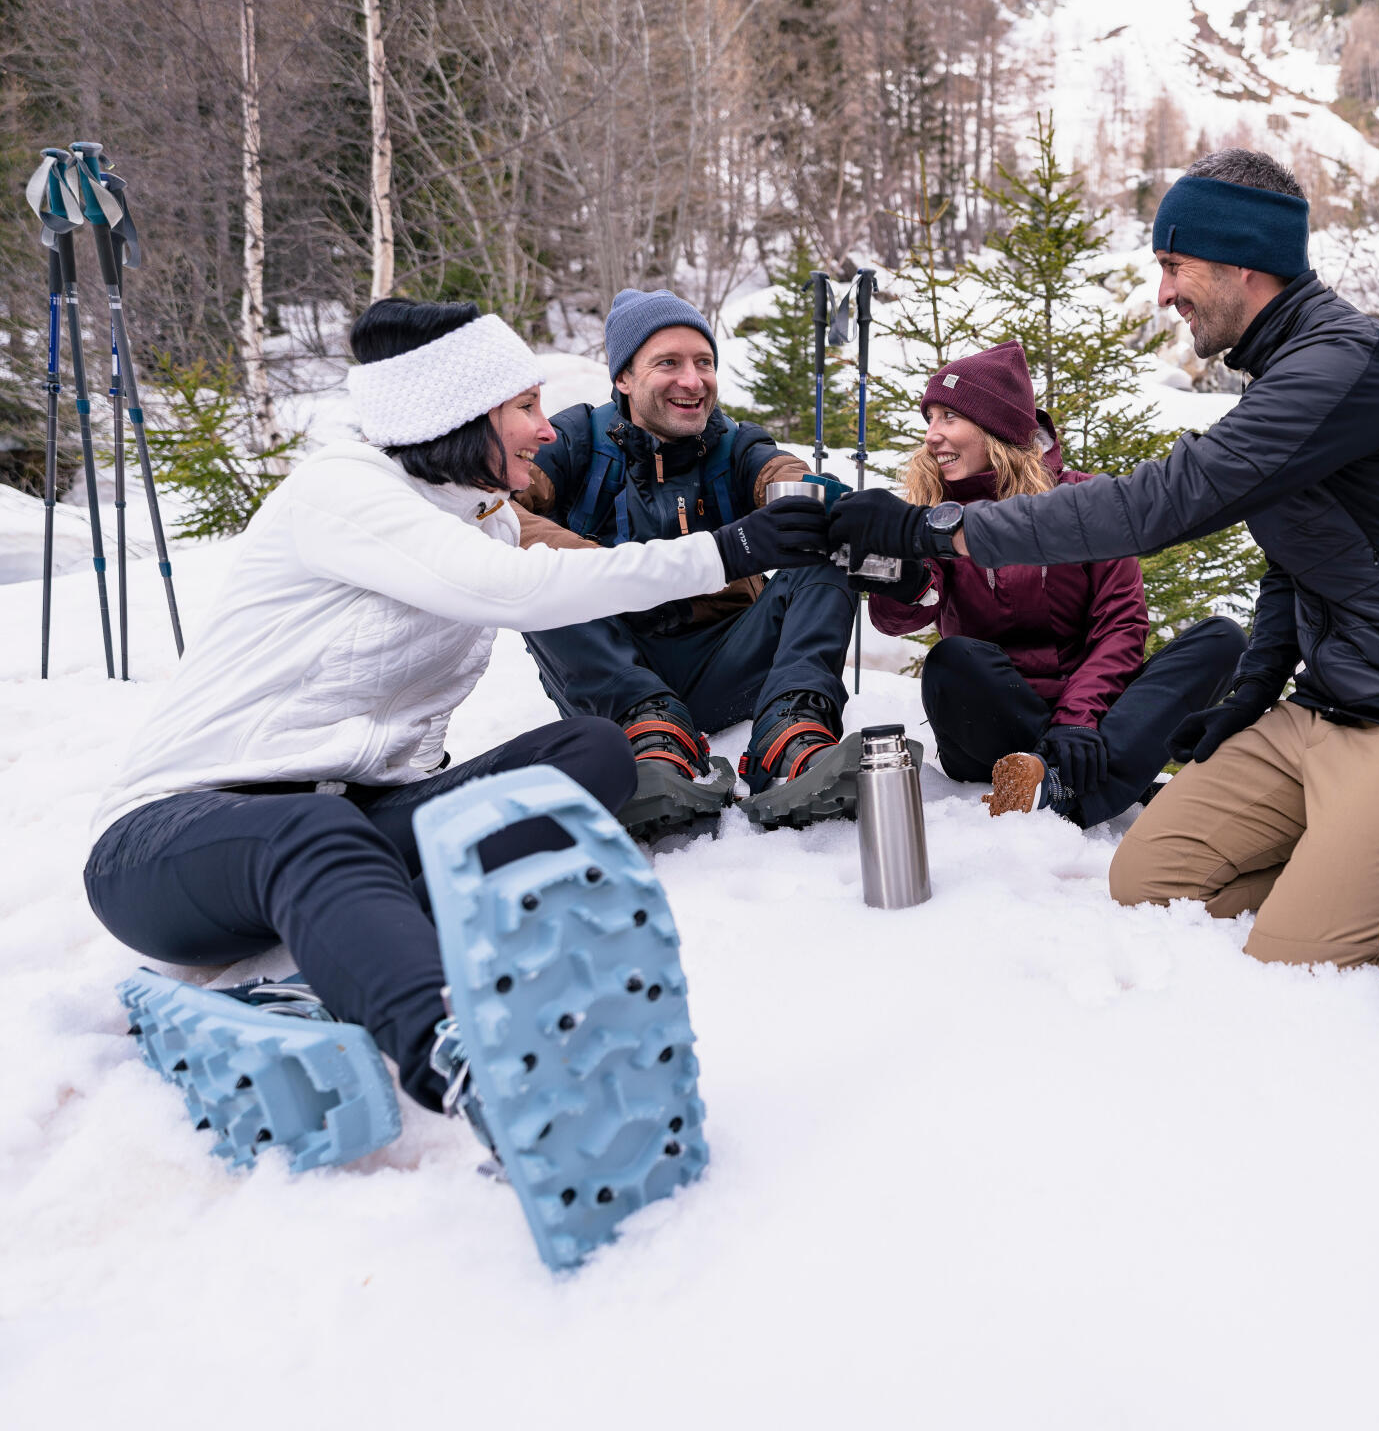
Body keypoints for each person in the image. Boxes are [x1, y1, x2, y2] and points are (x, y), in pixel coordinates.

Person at [83, 298, 831, 1117]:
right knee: (315, 829)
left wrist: (870, 530)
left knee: (589, 754)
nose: (545, 430)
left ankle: (352, 953)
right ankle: (458, 1056)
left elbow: (608, 559)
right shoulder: (342, 490)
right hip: (172, 842)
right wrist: (739, 547)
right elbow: (516, 590)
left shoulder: (485, 517)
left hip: (356, 821)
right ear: (457, 417)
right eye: (523, 408)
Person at [828, 147, 1379, 970]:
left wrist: (931, 531)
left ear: (1245, 260)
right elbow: (1298, 565)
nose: (1165, 292)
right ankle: (1340, 860)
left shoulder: (1347, 365)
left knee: (1293, 959)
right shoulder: (1282, 375)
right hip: (1320, 713)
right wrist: (1253, 692)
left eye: (1174, 264)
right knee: (1145, 881)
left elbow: (1165, 501)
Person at [511, 289, 866, 836]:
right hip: (612, 664)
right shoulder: (575, 439)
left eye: (704, 363)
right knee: (536, 579)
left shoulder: (736, 445)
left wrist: (826, 506)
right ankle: (649, 740)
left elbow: (782, 476)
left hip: (728, 657)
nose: (693, 380)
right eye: (668, 363)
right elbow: (494, 513)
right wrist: (602, 568)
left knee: (817, 553)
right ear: (624, 379)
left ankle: (791, 735)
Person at [865, 341, 1245, 824]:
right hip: (993, 723)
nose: (932, 436)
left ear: (994, 429)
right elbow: (895, 620)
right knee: (953, 659)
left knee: (1222, 640)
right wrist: (904, 576)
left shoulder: (1085, 501)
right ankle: (1093, 777)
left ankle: (1055, 780)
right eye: (930, 418)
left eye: (948, 418)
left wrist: (1076, 720)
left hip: (1088, 717)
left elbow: (1121, 625)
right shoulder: (937, 517)